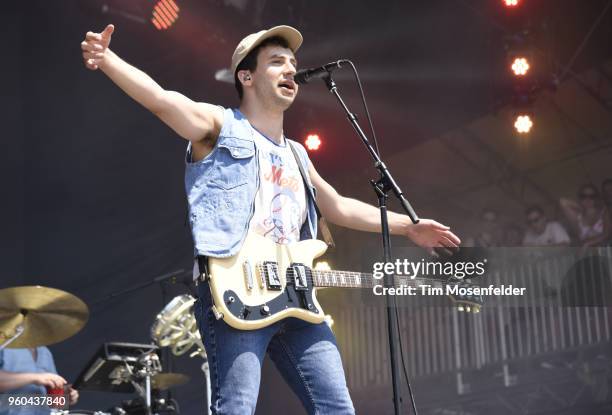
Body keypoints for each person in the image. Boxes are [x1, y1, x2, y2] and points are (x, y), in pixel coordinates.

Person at [81, 24, 460, 414]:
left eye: (293, 63)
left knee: (337, 408)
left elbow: (339, 206)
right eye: (277, 62)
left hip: (296, 299)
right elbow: (161, 100)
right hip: (235, 293)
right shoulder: (221, 125)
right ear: (246, 76)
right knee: (236, 408)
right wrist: (107, 59)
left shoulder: (297, 153)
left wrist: (408, 227)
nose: (290, 70)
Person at [0, 347, 79, 415]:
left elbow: (52, 402)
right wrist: (34, 378)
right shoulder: (4, 345)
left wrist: (64, 396)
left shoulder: (44, 352)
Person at [560, 183, 611, 248]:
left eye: (592, 196)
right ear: (580, 198)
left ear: (596, 198)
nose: (588, 199)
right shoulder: (578, 217)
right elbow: (562, 201)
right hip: (586, 254)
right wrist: (581, 208)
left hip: (603, 251)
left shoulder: (604, 212)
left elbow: (607, 233)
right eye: (584, 196)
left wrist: (587, 243)